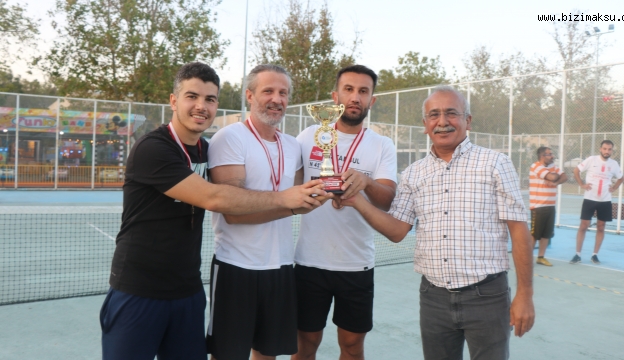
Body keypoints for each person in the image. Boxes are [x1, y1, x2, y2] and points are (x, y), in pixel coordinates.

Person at [100, 62, 328, 360]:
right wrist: (287, 200)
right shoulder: (153, 148)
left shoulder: (204, 149)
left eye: (209, 99)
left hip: (188, 292)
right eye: (192, 96)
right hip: (138, 290)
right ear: (173, 101)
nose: (201, 106)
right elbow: (217, 198)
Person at [340, 85, 535, 360]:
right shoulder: (412, 174)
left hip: (487, 296)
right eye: (434, 115)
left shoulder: (495, 164)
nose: (442, 122)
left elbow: (519, 231)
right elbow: (397, 231)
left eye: (451, 113)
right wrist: (357, 201)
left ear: (467, 121)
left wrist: (525, 295)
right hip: (433, 298)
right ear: (425, 124)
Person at [205, 64, 331, 360]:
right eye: (268, 91)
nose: (277, 99)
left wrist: (327, 191)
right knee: (228, 355)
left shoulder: (292, 145)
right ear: (249, 95)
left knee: (267, 354)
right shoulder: (230, 137)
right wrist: (289, 201)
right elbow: (233, 211)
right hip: (236, 266)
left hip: (281, 267)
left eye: (283, 93)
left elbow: (299, 202)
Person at [292, 65, 397, 360]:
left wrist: (365, 182)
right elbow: (290, 188)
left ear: (371, 100)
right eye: (348, 90)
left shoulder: (381, 145)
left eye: (363, 91)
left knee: (351, 346)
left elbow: (387, 200)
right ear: (335, 96)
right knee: (305, 342)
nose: (355, 97)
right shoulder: (309, 135)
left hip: (356, 264)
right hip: (309, 261)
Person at [570, 140, 624, 265]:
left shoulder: (614, 164)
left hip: (605, 200)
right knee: (584, 225)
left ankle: (595, 255)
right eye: (605, 149)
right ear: (600, 149)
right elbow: (576, 171)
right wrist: (581, 184)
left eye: (609, 149)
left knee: (601, 227)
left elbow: (621, 177)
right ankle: (577, 254)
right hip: (590, 198)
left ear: (612, 150)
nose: (607, 151)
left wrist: (614, 188)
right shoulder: (591, 159)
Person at [529, 146, 567, 266]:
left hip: (550, 205)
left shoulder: (552, 167)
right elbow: (552, 176)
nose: (552, 156)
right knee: (535, 234)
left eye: (552, 154)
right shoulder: (535, 166)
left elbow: (564, 177)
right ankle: (526, 258)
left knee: (547, 234)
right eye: (549, 154)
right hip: (538, 207)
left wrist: (555, 182)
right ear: (542, 156)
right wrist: (555, 176)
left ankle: (541, 257)